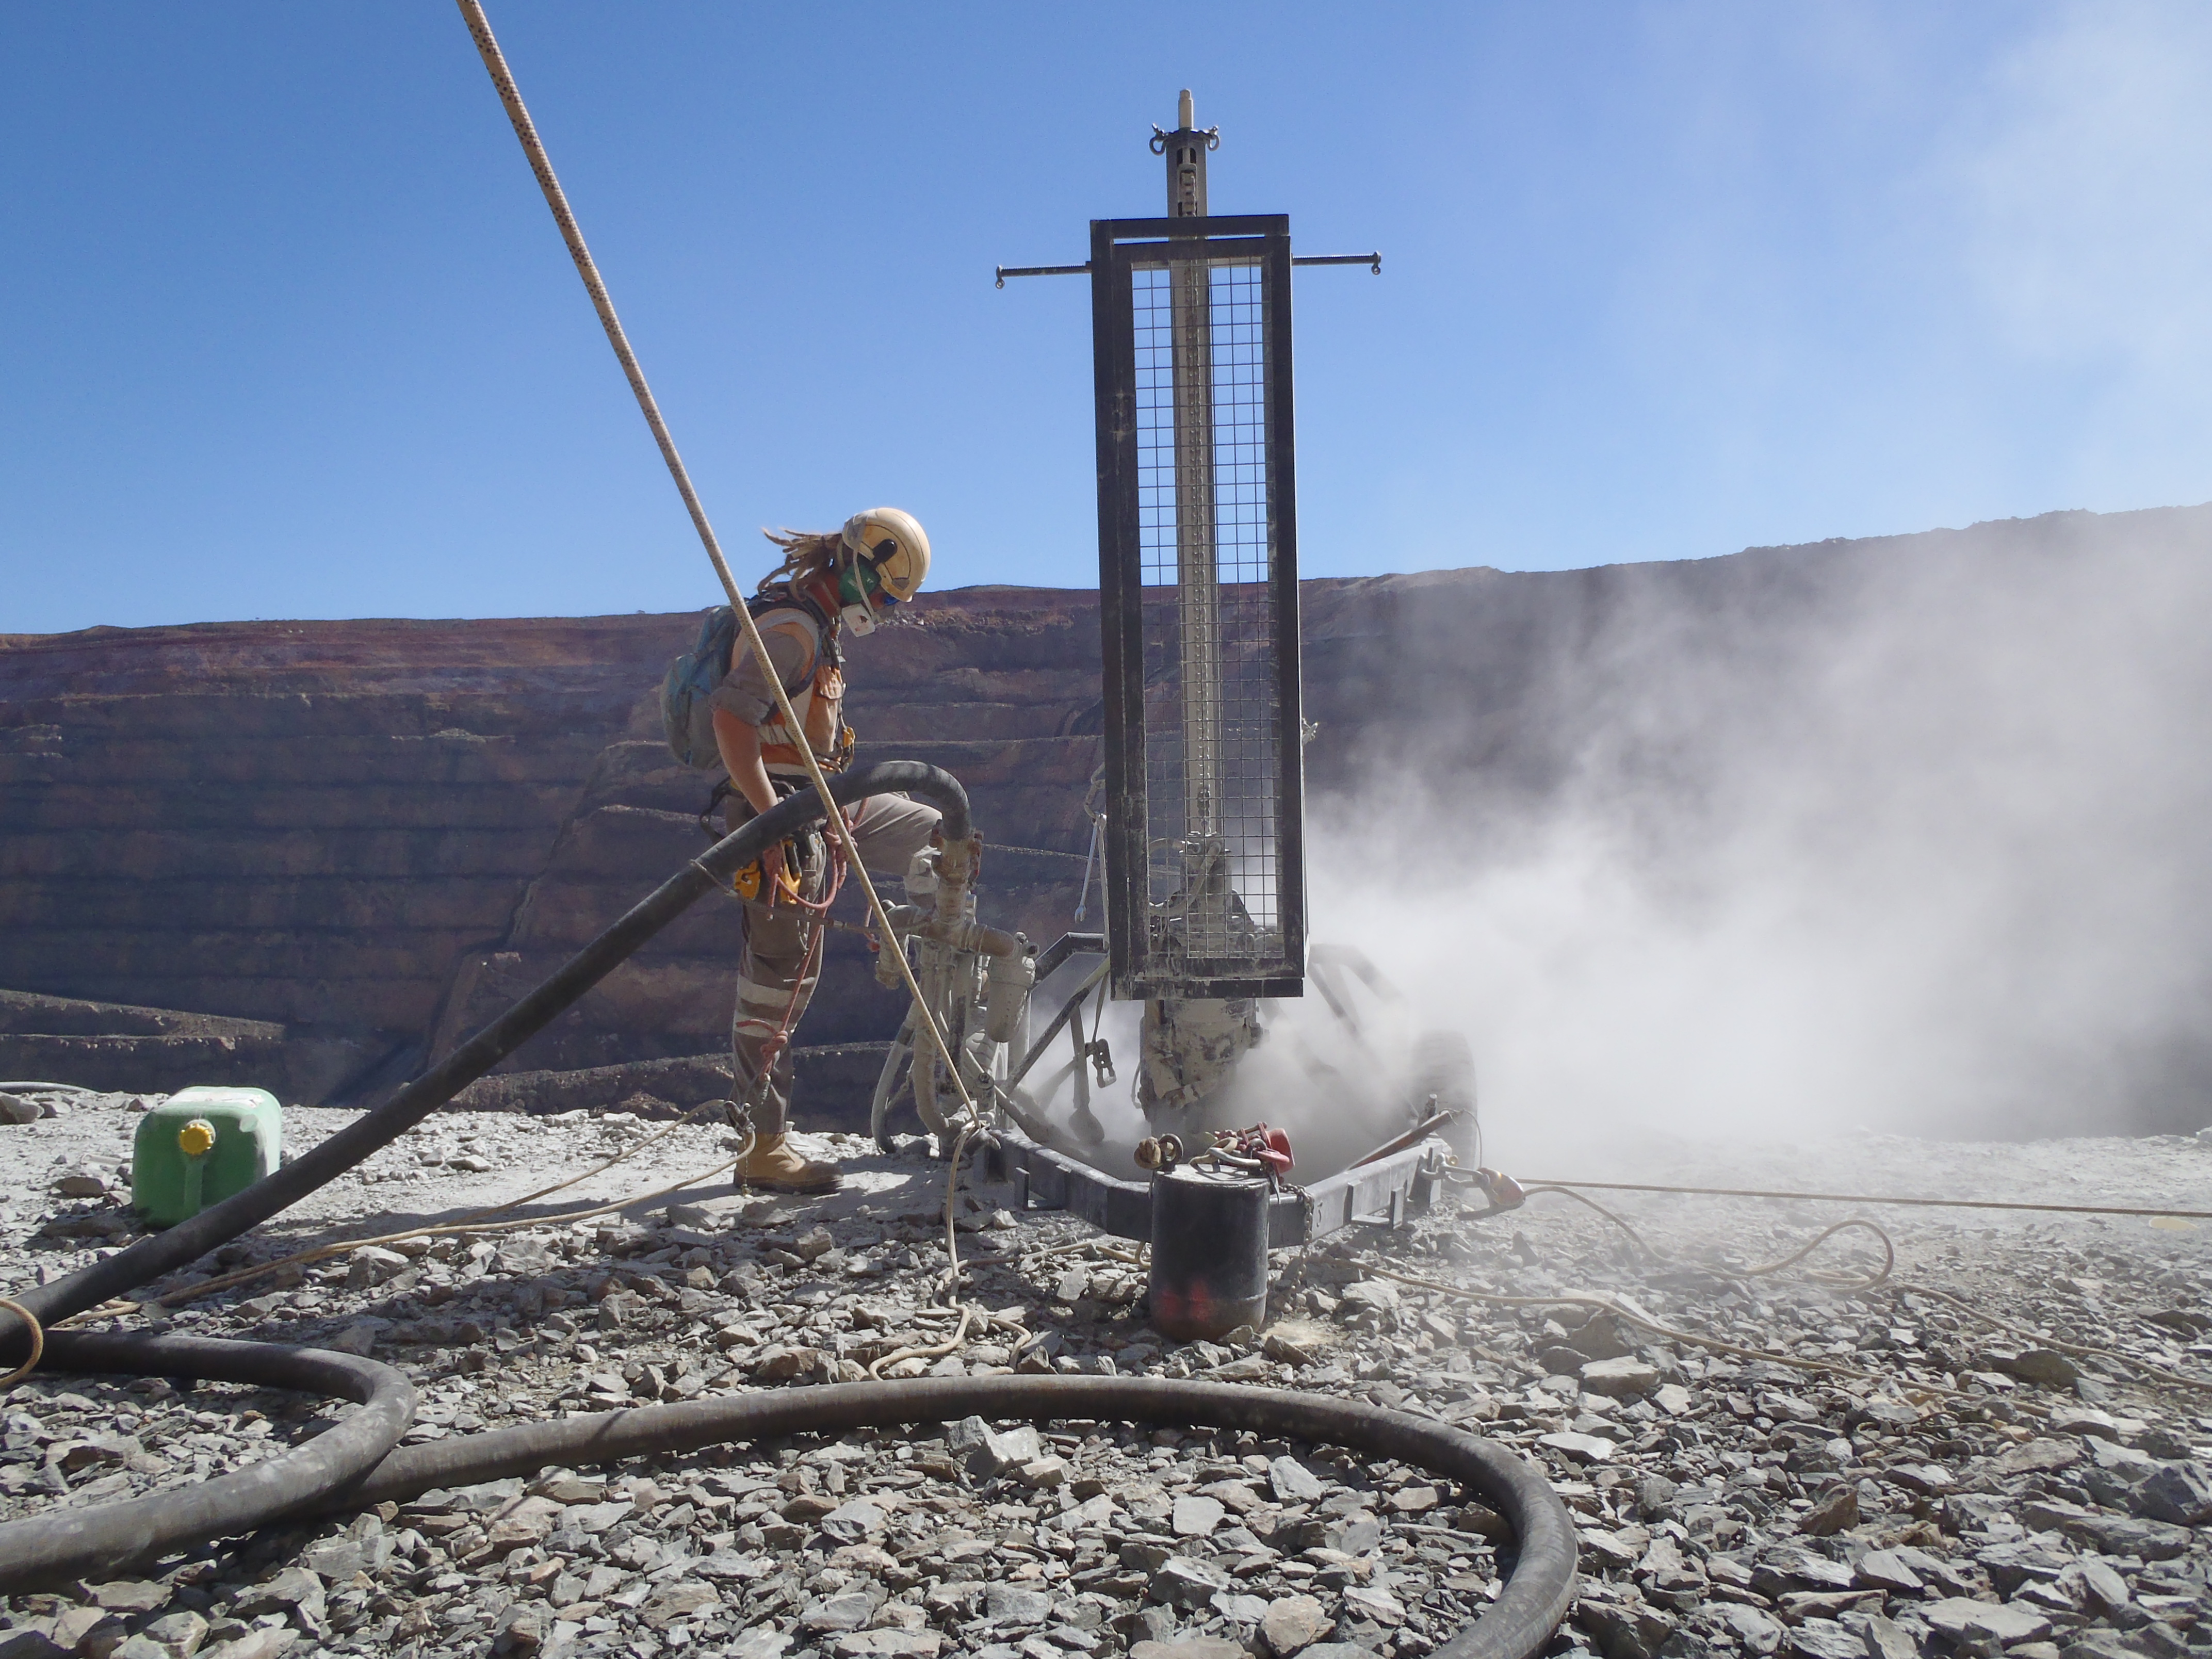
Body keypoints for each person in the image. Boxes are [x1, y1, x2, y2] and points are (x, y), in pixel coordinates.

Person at [710, 508, 936, 1194]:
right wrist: (770, 824)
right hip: (780, 811)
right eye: (891, 598)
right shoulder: (792, 632)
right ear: (868, 568)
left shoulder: (821, 627)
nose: (889, 613)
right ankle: (764, 1144)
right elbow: (731, 717)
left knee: (937, 828)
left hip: (824, 801)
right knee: (776, 985)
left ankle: (931, 952)